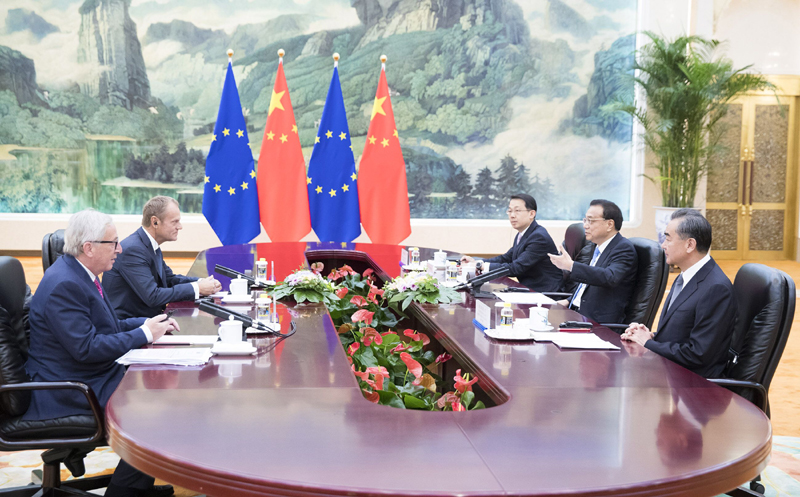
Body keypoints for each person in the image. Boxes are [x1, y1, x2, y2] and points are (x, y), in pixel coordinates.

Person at [25, 209, 178, 497]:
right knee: (156, 419)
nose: (120, 249)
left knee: (164, 398)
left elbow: (108, 324)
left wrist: (146, 324)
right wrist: (144, 335)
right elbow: (87, 348)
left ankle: (137, 488)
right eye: (113, 243)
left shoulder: (83, 274)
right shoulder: (65, 284)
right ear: (89, 247)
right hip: (68, 388)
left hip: (91, 375)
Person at [621, 209, 737, 378]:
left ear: (690, 245)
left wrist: (648, 343)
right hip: (671, 371)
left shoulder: (716, 288)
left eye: (668, 238)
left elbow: (698, 354)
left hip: (693, 383)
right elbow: (681, 334)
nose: (663, 245)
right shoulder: (686, 275)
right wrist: (649, 336)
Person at [103, 196, 220, 319]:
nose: (180, 226)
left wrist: (201, 282)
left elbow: (169, 279)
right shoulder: (133, 250)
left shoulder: (149, 245)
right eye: (174, 222)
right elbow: (153, 296)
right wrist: (197, 288)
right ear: (155, 222)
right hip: (128, 325)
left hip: (147, 319)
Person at [548, 199, 638, 323]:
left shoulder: (623, 248)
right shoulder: (595, 246)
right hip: (576, 312)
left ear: (609, 224)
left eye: (591, 221)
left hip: (597, 322)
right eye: (585, 220)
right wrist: (569, 301)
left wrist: (571, 266)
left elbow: (609, 277)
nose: (585, 225)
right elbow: (588, 285)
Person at [461, 194, 563, 292]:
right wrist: (477, 262)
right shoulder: (523, 234)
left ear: (531, 214)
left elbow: (516, 268)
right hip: (528, 290)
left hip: (544, 293)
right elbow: (505, 258)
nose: (512, 215)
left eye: (517, 211)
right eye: (510, 211)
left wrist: (480, 266)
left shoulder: (539, 237)